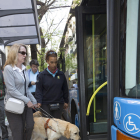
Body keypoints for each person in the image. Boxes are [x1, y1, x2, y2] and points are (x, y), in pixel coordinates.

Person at [3, 44, 37, 140]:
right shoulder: (8, 69)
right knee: (18, 133)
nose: (25, 55)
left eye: (25, 53)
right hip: (14, 106)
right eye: (22, 52)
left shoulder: (24, 69)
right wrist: (27, 100)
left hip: (25, 105)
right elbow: (11, 90)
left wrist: (34, 101)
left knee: (30, 126)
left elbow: (26, 89)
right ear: (14, 53)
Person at [36, 50, 69, 119]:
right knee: (49, 126)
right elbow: (38, 90)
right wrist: (39, 101)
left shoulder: (61, 74)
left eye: (55, 62)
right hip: (46, 104)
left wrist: (66, 101)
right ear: (47, 61)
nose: (54, 64)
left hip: (58, 104)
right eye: (51, 62)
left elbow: (65, 89)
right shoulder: (42, 75)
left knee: (57, 125)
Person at [0, 69, 9, 140]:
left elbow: (6, 85)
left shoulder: (2, 72)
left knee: (3, 119)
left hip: (1, 98)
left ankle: (5, 136)